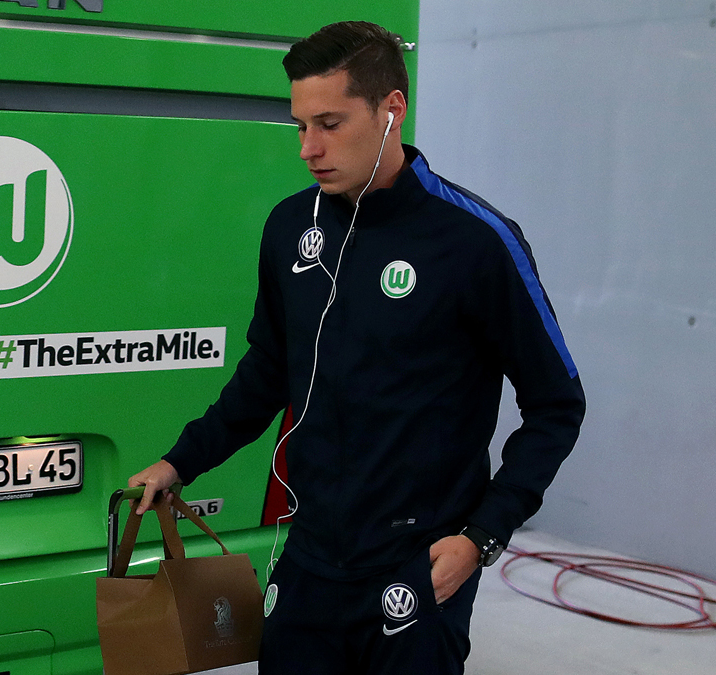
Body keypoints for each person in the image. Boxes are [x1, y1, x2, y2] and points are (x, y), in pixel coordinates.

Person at [128, 20, 585, 675]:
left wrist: (480, 537)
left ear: (391, 109)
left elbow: (557, 404)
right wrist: (181, 461)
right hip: (311, 552)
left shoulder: (474, 242)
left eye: (331, 123)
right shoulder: (291, 227)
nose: (309, 147)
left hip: (419, 564)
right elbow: (268, 371)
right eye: (300, 125)